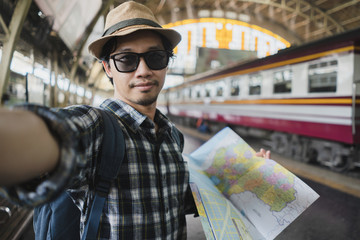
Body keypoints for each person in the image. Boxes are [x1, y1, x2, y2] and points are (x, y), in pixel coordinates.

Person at [0, 1, 270, 239]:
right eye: (127, 59)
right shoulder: (96, 127)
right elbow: (52, 133)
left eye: (155, 57)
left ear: (166, 62)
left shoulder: (172, 137)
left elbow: (173, 200)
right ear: (107, 67)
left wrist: (239, 176)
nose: (143, 71)